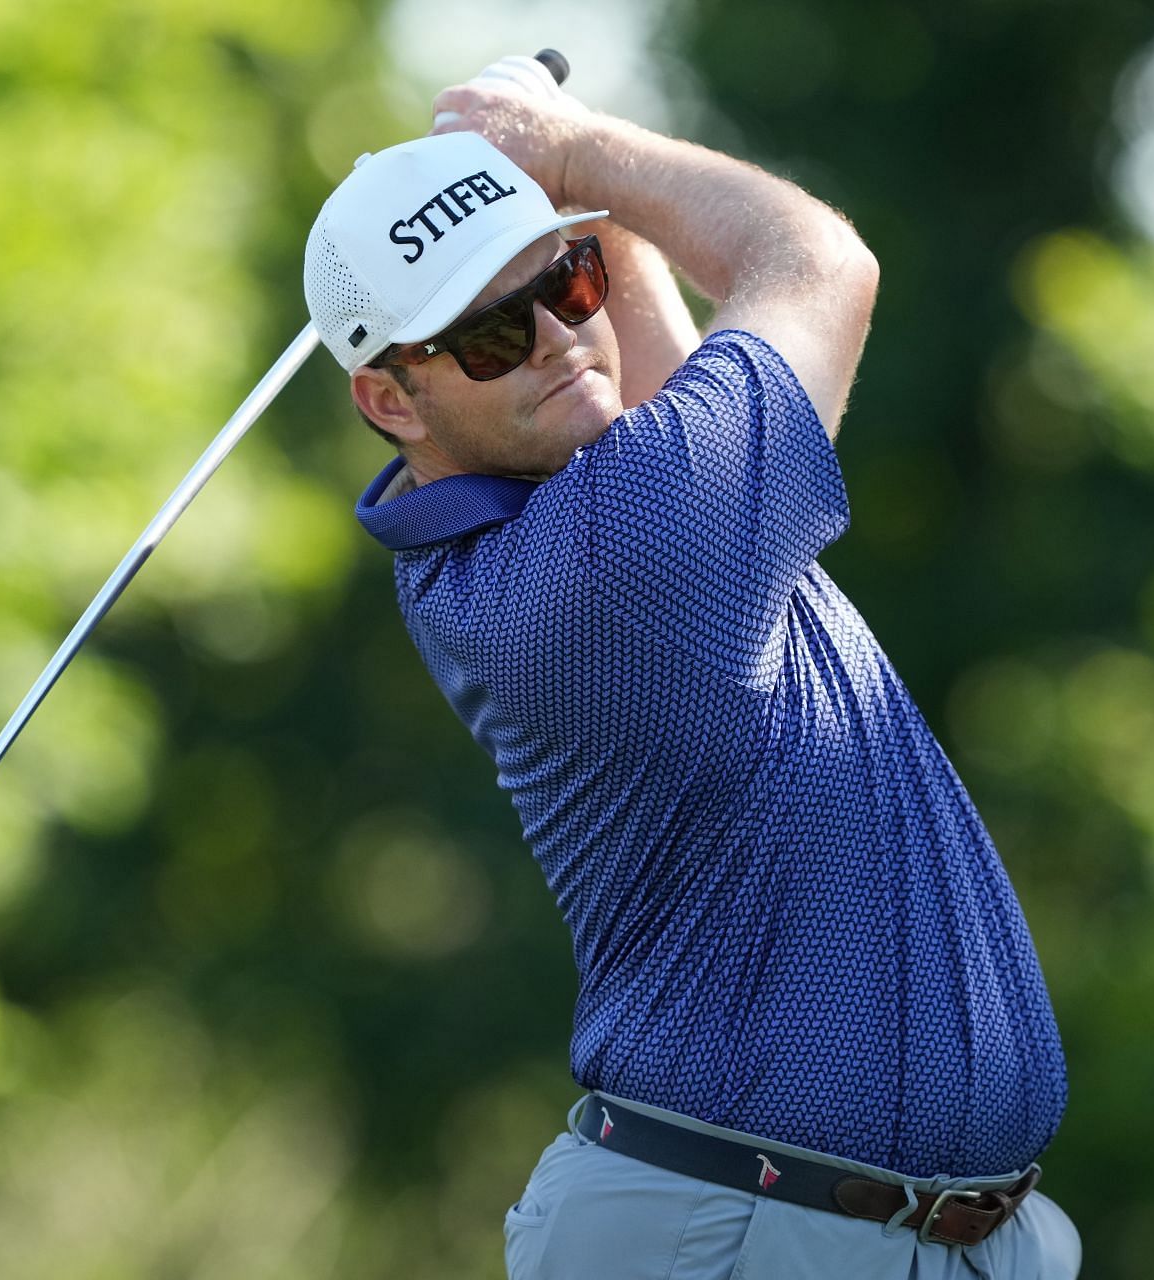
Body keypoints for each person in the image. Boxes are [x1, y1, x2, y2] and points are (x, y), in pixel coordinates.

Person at [302, 56, 1081, 1279]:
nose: (563, 337)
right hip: (734, 1238)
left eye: (569, 282)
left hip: (879, 1236)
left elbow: (653, 389)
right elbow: (821, 265)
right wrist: (583, 148)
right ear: (390, 398)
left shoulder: (577, 507)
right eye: (494, 333)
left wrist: (579, 199)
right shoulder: (615, 563)